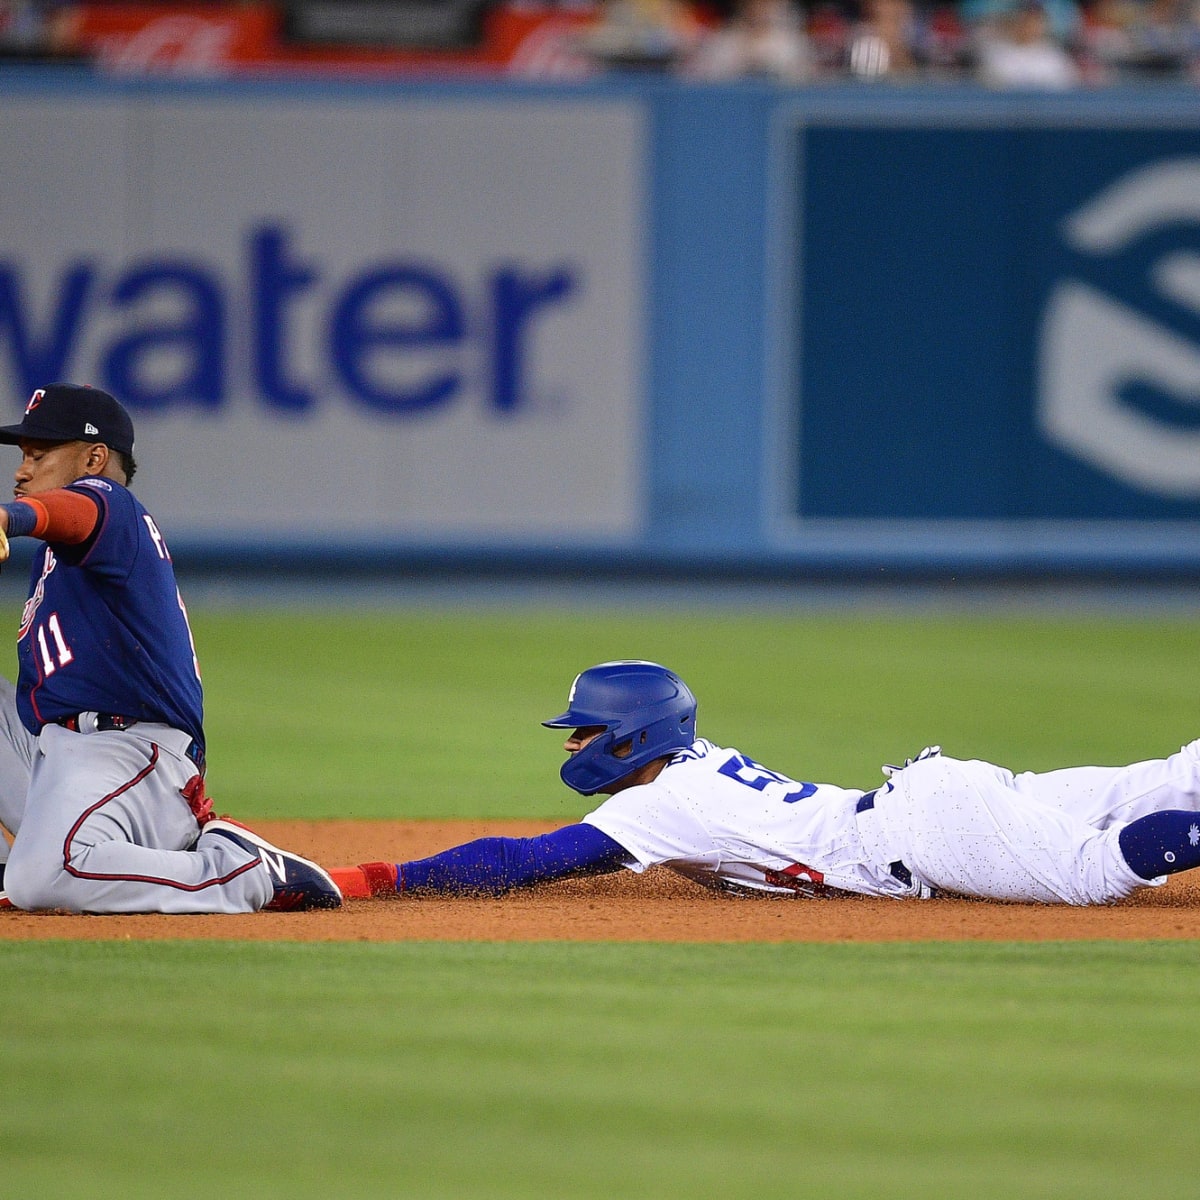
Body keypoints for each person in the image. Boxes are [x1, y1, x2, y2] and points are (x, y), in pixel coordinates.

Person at [334, 659, 1200, 907]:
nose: (574, 748)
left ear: (633, 737)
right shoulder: (695, 764)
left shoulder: (665, 803)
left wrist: (388, 878)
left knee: (1095, 874)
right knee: (1158, 780)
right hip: (937, 799)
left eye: (587, 732)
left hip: (928, 836)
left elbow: (529, 859)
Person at [0, 383, 341, 913]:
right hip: (66, 757)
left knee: (40, 880)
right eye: (22, 457)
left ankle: (235, 869)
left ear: (94, 458)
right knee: (23, 871)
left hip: (132, 755)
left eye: (39, 456)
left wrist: (11, 517)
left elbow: (77, 510)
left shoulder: (113, 508)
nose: (22, 471)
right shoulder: (63, 555)